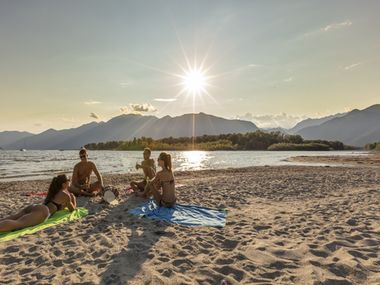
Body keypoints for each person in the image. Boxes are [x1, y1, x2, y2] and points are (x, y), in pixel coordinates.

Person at [0, 174, 76, 233]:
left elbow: (59, 206)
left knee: (14, 217)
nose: (70, 182)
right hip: (43, 212)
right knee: (19, 223)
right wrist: (73, 199)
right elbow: (72, 210)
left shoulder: (54, 191)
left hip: (35, 207)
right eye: (68, 181)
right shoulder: (66, 195)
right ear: (63, 184)